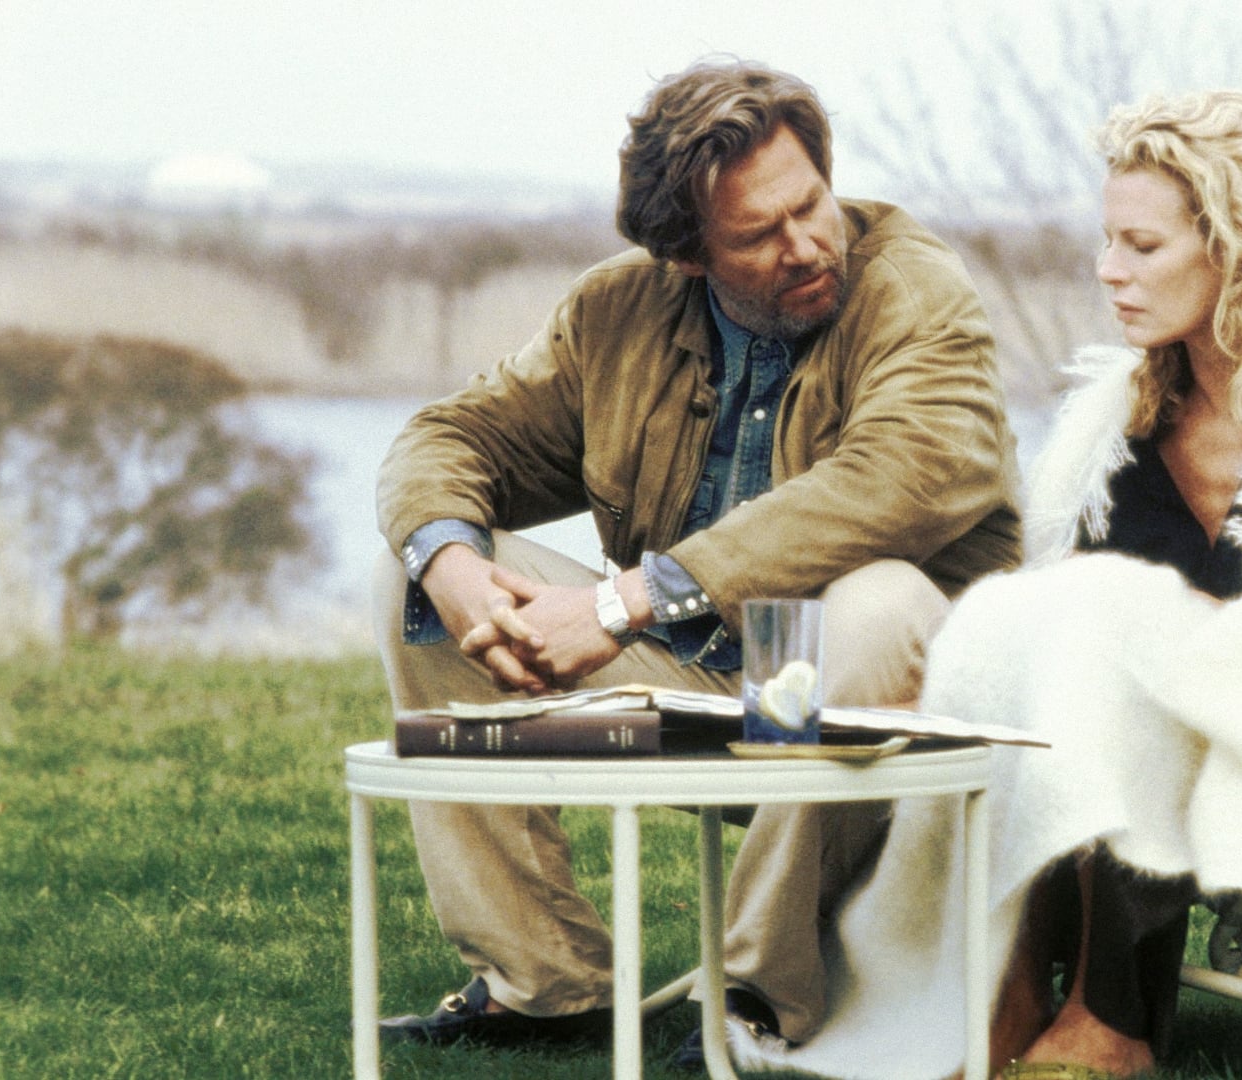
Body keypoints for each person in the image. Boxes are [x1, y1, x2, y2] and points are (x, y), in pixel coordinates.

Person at [733, 90, 1242, 1080]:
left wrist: (1163, 633)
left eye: (1141, 246)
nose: (1108, 270)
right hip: (1135, 733)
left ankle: (1110, 1018)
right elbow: (1048, 624)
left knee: (1101, 630)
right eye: (1107, 240)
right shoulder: (1116, 423)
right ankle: (1004, 994)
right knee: (1048, 641)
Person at [370, 58, 1020, 1051]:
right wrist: (455, 573)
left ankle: (758, 998)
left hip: (880, 704)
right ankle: (545, 987)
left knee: (881, 598)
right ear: (684, 256)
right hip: (693, 688)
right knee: (414, 578)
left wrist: (624, 602)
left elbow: (902, 477)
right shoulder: (614, 314)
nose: (806, 244)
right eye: (758, 235)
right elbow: (449, 437)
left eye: (811, 204)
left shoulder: (916, 289)